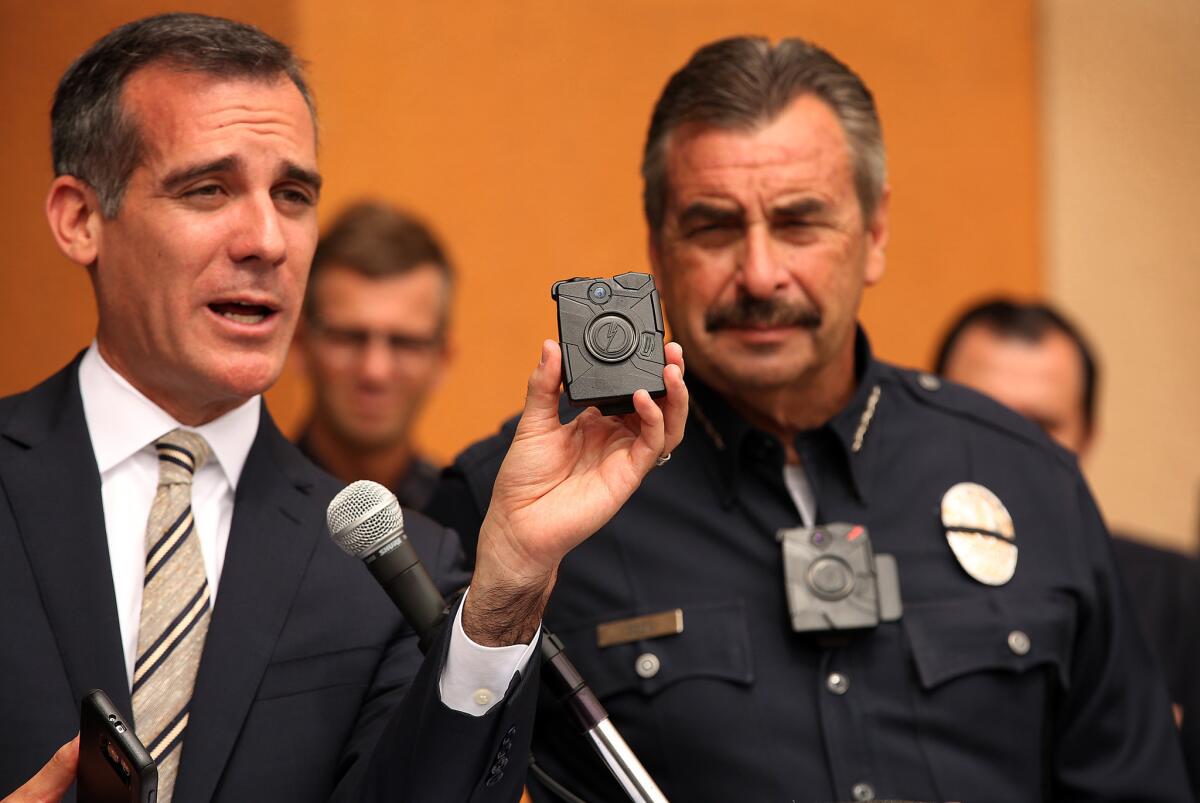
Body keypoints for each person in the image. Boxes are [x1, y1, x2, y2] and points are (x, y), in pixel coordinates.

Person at [427, 35, 1192, 801]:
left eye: (799, 221)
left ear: (876, 233)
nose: (760, 274)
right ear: (658, 243)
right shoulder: (524, 504)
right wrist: (505, 594)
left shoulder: (1028, 477)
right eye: (715, 226)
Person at [0, 13, 686, 803]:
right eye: (208, 188)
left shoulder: (395, 567)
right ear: (81, 218)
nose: (267, 239)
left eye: (293, 194)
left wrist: (508, 589)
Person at [934, 296, 1200, 793]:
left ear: (1088, 437)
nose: (1007, 449)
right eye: (980, 417)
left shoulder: (1180, 593)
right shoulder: (883, 571)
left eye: (1040, 428)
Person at [294, 201, 453, 509]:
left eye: (405, 343)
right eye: (348, 338)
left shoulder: (470, 526)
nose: (375, 371)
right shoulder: (236, 510)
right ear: (300, 344)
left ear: (442, 359)